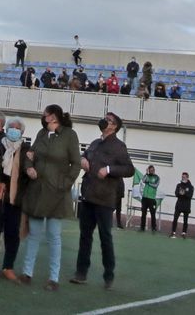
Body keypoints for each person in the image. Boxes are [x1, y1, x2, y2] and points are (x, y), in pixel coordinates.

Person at [16, 104, 79, 290]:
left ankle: (54, 278)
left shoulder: (69, 135)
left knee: (54, 235)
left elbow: (76, 163)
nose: (43, 117)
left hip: (57, 193)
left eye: (46, 114)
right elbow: (30, 155)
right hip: (37, 190)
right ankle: (27, 273)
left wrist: (65, 184)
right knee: (34, 234)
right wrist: (29, 167)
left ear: (54, 116)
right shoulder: (41, 134)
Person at [72, 110, 135, 290]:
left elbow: (129, 169)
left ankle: (109, 275)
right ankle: (81, 272)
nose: (104, 121)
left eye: (108, 120)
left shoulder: (119, 146)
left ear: (114, 126)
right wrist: (83, 159)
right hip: (88, 195)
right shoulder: (95, 143)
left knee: (105, 237)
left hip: (105, 199)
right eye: (105, 118)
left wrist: (108, 169)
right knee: (85, 236)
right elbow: (85, 156)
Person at [0, 113, 26, 278]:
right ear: (7, 128)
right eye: (12, 128)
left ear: (22, 132)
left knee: (12, 232)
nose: (14, 131)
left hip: (15, 195)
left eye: (18, 129)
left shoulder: (25, 149)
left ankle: (8, 266)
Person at [137, 165, 160, 232]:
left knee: (152, 214)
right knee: (143, 213)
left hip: (151, 198)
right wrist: (146, 173)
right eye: (150, 170)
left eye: (152, 170)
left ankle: (153, 227)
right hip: (144, 198)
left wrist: (149, 183)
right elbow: (143, 180)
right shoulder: (147, 175)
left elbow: (156, 185)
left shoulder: (157, 177)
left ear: (154, 170)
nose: (151, 171)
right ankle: (142, 227)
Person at [171, 171, 194, 238]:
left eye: (184, 177)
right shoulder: (179, 185)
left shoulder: (190, 186)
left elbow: (190, 196)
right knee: (175, 218)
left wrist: (184, 193)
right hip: (179, 205)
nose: (183, 178)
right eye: (182, 177)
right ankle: (173, 232)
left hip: (186, 205)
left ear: (187, 177)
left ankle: (184, 233)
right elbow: (176, 193)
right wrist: (180, 193)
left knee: (185, 220)